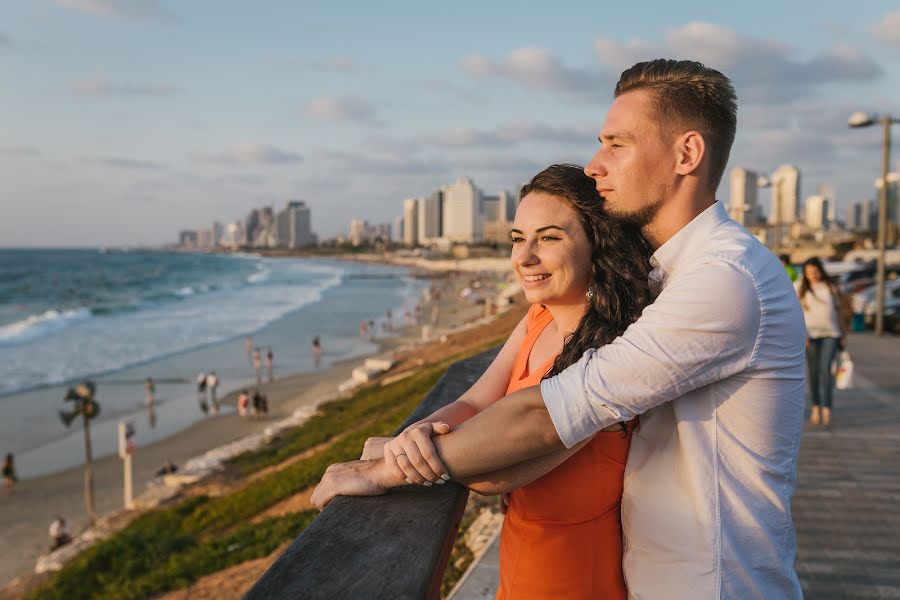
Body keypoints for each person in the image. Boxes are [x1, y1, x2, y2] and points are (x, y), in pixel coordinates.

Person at [312, 59, 807, 599]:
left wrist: (383, 472)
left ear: (687, 154)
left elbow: (550, 414)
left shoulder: (723, 280)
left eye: (617, 144)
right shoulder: (666, 277)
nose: (596, 165)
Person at [359, 164, 652, 598]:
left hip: (575, 581)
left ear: (597, 245)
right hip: (519, 569)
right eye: (518, 239)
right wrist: (414, 437)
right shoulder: (538, 316)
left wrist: (387, 460)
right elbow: (476, 402)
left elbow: (489, 474)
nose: (524, 257)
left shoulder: (608, 354)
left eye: (549, 238)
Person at [796, 257, 849, 428]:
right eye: (809, 272)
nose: (813, 275)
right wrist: (800, 334)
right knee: (813, 372)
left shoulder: (831, 287)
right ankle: (816, 407)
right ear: (805, 273)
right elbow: (795, 314)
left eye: (815, 271)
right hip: (809, 336)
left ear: (821, 270)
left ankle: (827, 408)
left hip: (831, 334)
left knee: (826, 370)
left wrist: (844, 334)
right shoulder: (800, 288)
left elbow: (839, 312)